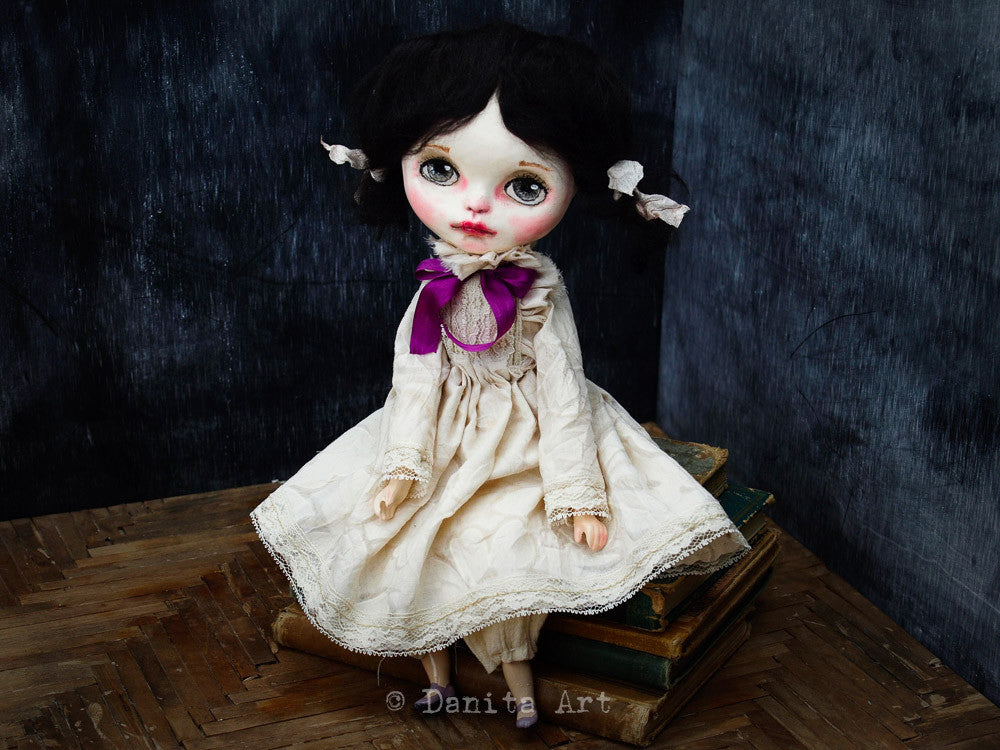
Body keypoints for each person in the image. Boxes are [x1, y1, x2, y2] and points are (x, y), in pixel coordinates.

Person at [250, 22, 750, 730]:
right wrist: (404, 462)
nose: (476, 205)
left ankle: (520, 691)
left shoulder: (540, 295)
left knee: (503, 545)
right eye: (441, 170)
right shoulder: (434, 290)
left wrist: (576, 496)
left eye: (524, 184)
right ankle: (437, 677)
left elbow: (563, 390)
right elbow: (415, 378)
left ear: (577, 185)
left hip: (528, 427)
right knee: (407, 541)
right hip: (441, 426)